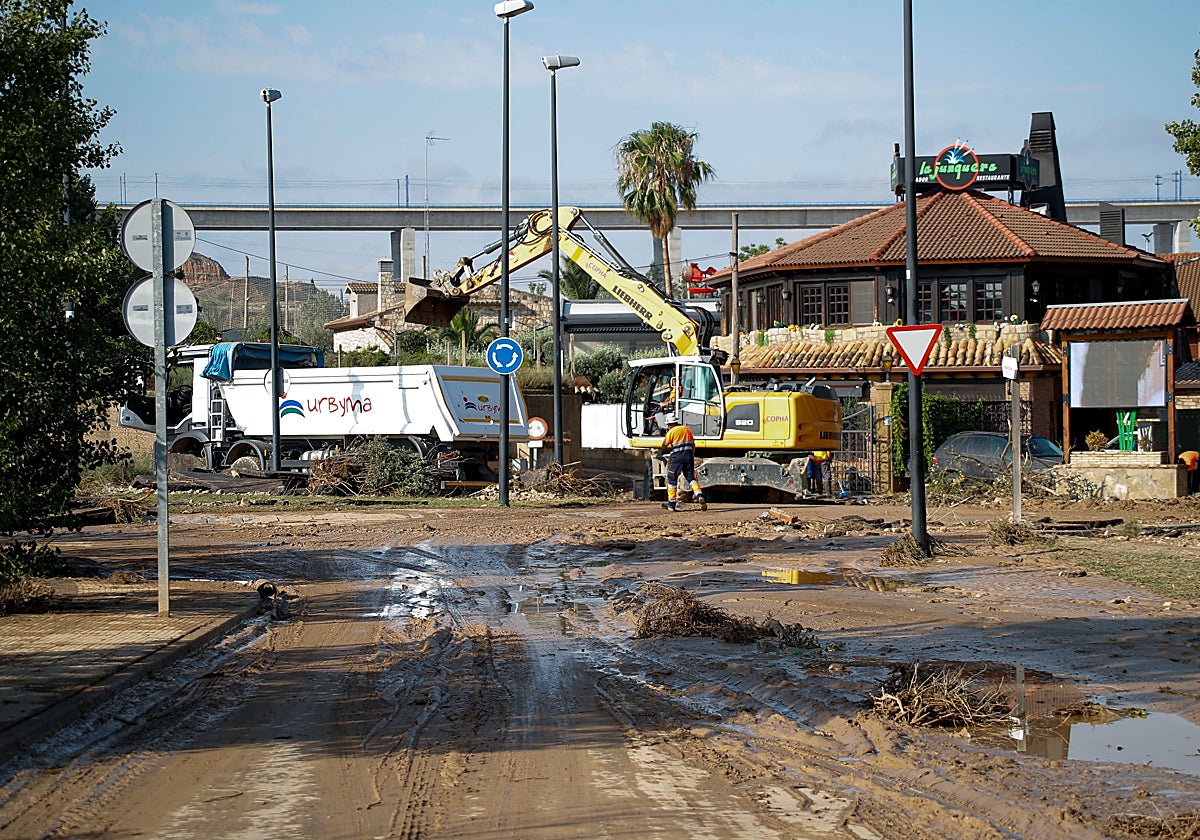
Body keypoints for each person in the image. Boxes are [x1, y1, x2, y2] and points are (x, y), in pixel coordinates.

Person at [660, 413, 706, 512]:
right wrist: (691, 456)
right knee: (691, 478)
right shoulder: (687, 429)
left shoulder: (671, 432)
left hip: (678, 458)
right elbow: (693, 445)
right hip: (689, 457)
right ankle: (699, 495)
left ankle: (671, 504)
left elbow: (664, 445)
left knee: (672, 479)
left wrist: (661, 453)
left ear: (670, 424)